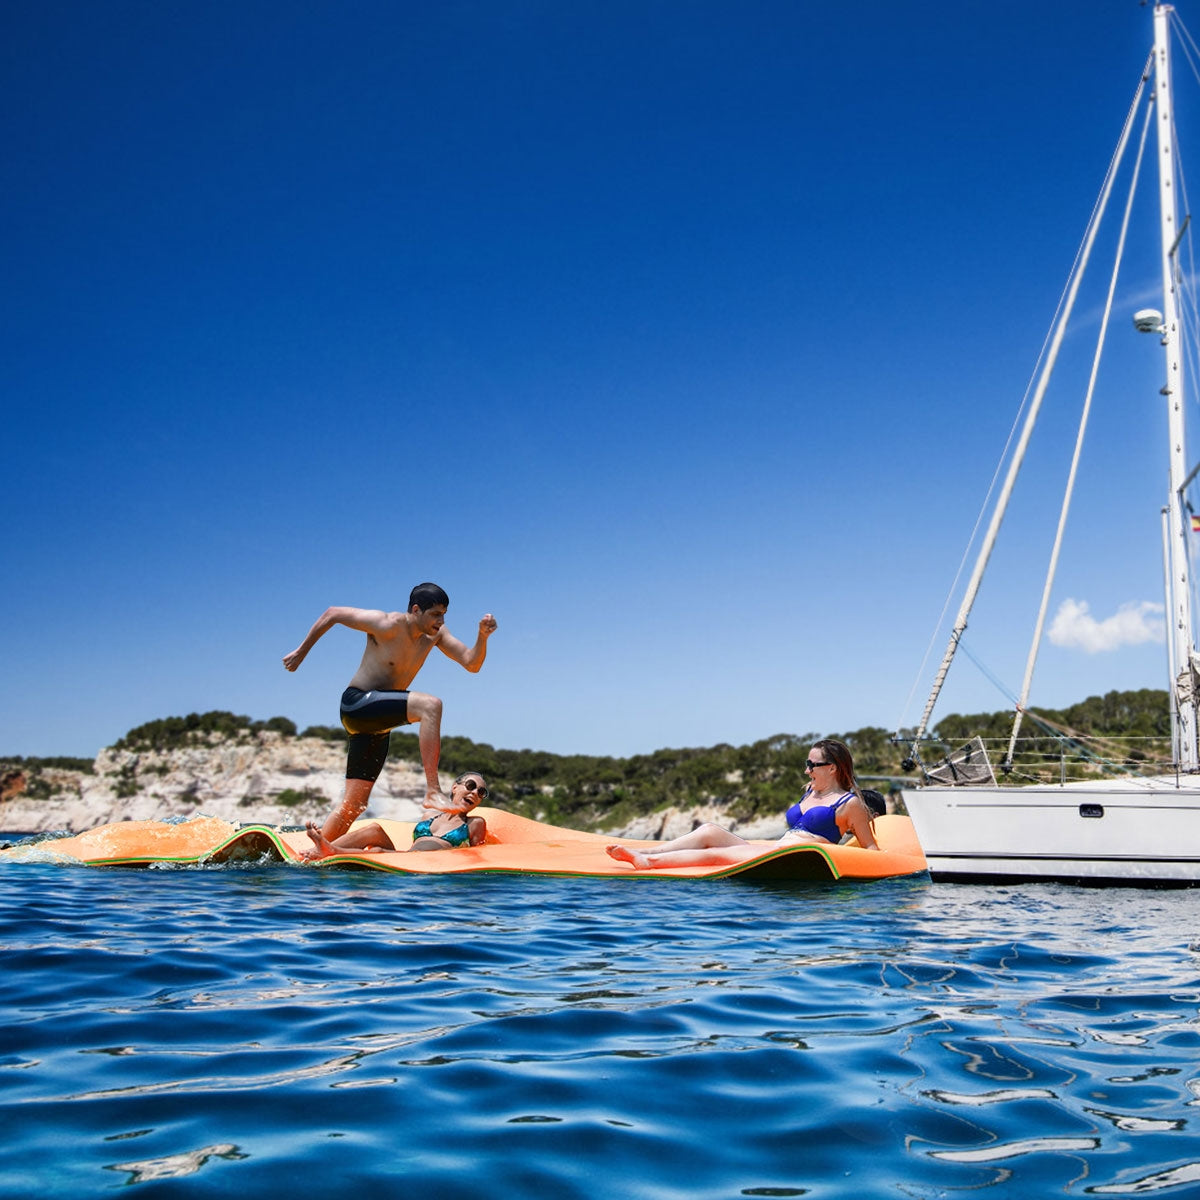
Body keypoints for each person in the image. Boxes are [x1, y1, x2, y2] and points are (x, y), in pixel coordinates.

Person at [283, 583, 497, 853]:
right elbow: (332, 613)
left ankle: (312, 853)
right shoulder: (387, 624)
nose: (441, 622)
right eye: (435, 614)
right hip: (358, 703)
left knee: (354, 805)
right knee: (430, 705)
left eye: (444, 615)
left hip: (377, 725)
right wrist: (301, 652)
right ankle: (433, 788)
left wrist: (482, 637)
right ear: (416, 610)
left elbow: (471, 663)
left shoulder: (436, 635)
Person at [605, 738, 879, 869]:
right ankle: (655, 850)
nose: (807, 770)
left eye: (812, 765)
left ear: (832, 768)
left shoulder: (849, 803)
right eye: (806, 764)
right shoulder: (809, 791)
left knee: (716, 856)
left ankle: (649, 862)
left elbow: (870, 847)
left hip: (795, 861)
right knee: (710, 830)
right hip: (774, 851)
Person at [302, 772, 491, 860]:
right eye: (471, 786)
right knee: (373, 830)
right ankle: (324, 848)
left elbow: (474, 856)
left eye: (481, 792)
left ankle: (331, 850)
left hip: (424, 863)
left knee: (377, 852)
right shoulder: (430, 815)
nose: (475, 793)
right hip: (407, 857)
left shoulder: (474, 823)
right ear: (455, 787)